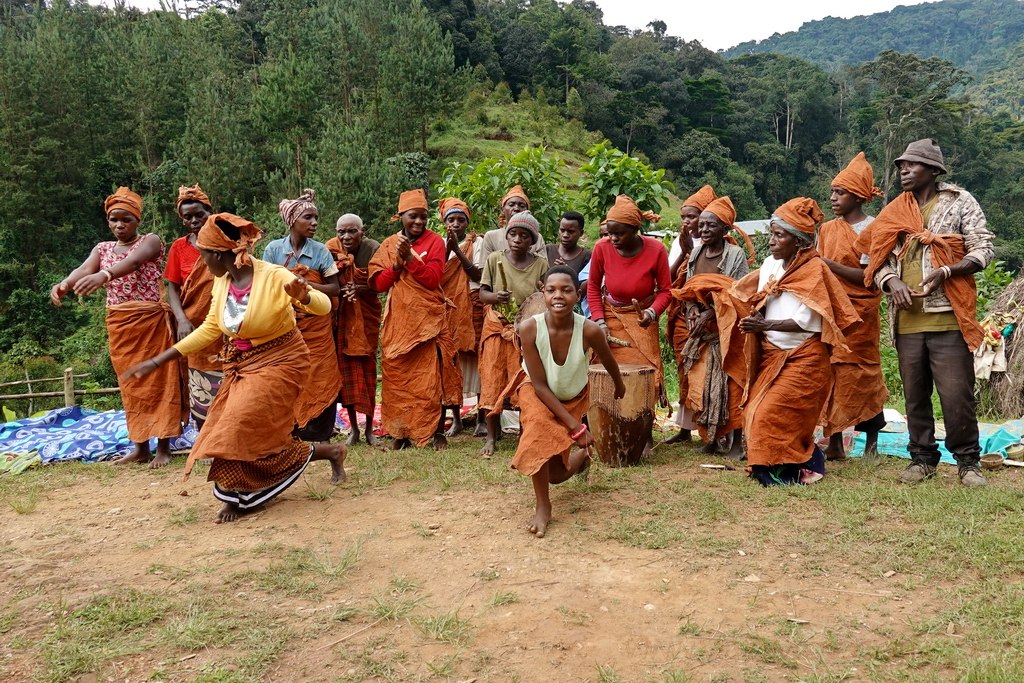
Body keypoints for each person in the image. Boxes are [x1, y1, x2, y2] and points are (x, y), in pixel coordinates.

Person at [122, 213, 346, 523]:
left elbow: (325, 306)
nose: (200, 261)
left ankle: (241, 496)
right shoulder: (222, 281)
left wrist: (305, 294)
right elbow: (212, 327)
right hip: (244, 362)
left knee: (237, 424)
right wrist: (160, 358)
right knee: (243, 431)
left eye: (202, 254)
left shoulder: (273, 275)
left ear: (216, 254)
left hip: (283, 359)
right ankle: (327, 454)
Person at [857, 139, 994, 486]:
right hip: (907, 320)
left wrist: (947, 271)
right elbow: (879, 258)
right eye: (901, 166)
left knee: (956, 395)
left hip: (948, 315)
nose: (904, 170)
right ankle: (922, 459)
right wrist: (892, 283)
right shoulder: (895, 209)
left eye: (912, 165)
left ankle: (967, 462)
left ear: (933, 171)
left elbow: (983, 248)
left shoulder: (959, 201)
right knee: (915, 394)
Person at [725, 198, 858, 486]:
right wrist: (752, 319)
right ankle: (779, 465)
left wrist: (764, 324)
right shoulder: (770, 265)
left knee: (772, 414)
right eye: (771, 233)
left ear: (799, 242)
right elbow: (761, 301)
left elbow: (807, 322)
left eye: (779, 235)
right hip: (772, 353)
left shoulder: (814, 271)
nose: (771, 241)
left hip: (805, 357)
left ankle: (796, 467)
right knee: (754, 410)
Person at [50, 187, 185, 468]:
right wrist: (65, 283)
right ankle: (140, 447)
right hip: (120, 324)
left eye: (126, 220)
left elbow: (133, 262)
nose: (119, 225)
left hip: (150, 322)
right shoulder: (102, 249)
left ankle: (163, 446)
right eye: (113, 220)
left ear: (137, 221)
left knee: (160, 382)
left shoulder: (152, 241)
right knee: (130, 383)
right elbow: (84, 269)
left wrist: (105, 274)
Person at [512, 266, 624, 538]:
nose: (558, 296)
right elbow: (539, 384)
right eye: (551, 290)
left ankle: (582, 459)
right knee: (537, 431)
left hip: (572, 396)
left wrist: (619, 385)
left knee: (556, 475)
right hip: (537, 391)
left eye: (566, 290)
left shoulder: (589, 330)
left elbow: (609, 361)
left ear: (578, 294)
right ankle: (543, 506)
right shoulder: (529, 328)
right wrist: (576, 427)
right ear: (543, 293)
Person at [586, 194, 671, 456]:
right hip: (610, 315)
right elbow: (592, 288)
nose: (613, 239)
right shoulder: (601, 248)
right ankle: (608, 429)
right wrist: (599, 321)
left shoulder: (656, 250)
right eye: (610, 233)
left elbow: (666, 291)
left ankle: (644, 436)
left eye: (619, 234)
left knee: (646, 378)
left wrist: (651, 313)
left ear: (636, 230)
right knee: (604, 374)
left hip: (641, 319)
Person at [368, 189, 452, 450]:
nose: (419, 222)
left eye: (423, 217)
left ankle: (435, 432)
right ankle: (401, 433)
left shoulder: (435, 241)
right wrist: (396, 264)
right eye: (413, 217)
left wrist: (410, 261)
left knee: (432, 377)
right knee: (398, 377)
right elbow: (379, 285)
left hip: (429, 321)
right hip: (400, 323)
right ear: (400, 216)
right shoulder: (388, 244)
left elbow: (432, 279)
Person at [818, 152, 888, 461]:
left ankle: (871, 443)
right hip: (832, 313)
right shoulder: (828, 230)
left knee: (864, 374)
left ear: (859, 197)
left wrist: (828, 265)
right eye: (832, 191)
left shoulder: (873, 230)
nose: (833, 198)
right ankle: (833, 443)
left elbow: (869, 278)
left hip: (861, 315)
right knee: (830, 375)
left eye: (840, 192)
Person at [672, 196, 750, 457]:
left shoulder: (735, 255)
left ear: (725, 230)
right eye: (702, 225)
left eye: (710, 226)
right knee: (703, 384)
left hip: (727, 330)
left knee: (732, 383)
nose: (703, 230)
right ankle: (711, 438)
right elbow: (690, 289)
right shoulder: (696, 252)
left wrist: (710, 314)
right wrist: (694, 311)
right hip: (703, 331)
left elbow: (737, 293)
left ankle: (737, 443)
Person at [263, 189, 342, 443]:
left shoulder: (320, 252)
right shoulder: (274, 250)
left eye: (316, 217)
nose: (314, 223)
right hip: (286, 329)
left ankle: (323, 438)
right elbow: (265, 286)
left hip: (318, 330)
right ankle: (292, 435)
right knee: (290, 377)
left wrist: (305, 287)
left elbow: (334, 288)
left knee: (322, 376)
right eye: (308, 217)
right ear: (292, 221)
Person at [478, 211, 548, 456]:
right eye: (513, 234)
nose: (518, 239)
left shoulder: (540, 263)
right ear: (506, 236)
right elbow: (482, 294)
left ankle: (524, 433)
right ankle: (490, 437)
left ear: (532, 240)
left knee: (524, 382)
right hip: (498, 325)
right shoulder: (495, 259)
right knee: (492, 379)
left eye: (524, 236)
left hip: (526, 330)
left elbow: (544, 296)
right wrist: (495, 297)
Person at [164, 184, 222, 429]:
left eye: (200, 214)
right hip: (194, 325)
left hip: (225, 319)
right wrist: (182, 319)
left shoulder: (226, 240)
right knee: (200, 376)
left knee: (231, 370)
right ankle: (206, 436)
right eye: (188, 217)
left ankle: (231, 433)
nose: (195, 220)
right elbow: (171, 287)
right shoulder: (179, 247)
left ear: (210, 212)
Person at [665, 185, 719, 445]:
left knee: (708, 370)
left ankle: (711, 426)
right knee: (684, 368)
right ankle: (685, 428)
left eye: (692, 216)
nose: (687, 222)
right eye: (684, 217)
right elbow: (669, 279)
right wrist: (685, 252)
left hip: (711, 318)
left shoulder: (724, 244)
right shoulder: (680, 241)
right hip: (682, 314)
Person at [326, 214, 382, 446]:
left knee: (367, 374)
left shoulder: (374, 249)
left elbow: (378, 283)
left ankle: (369, 429)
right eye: (341, 232)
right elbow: (327, 279)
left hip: (365, 317)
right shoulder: (330, 248)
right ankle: (354, 430)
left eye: (352, 231)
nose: (346, 237)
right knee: (345, 376)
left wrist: (357, 288)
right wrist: (343, 290)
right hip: (342, 319)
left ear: (363, 230)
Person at [438, 198, 482, 437]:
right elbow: (435, 275)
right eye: (451, 219)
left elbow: (477, 273)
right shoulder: (437, 244)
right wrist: (447, 248)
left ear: (468, 222)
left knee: (478, 361)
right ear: (443, 222)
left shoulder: (477, 242)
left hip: (472, 306)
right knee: (450, 364)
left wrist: (456, 249)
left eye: (461, 220)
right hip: (449, 309)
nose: (456, 224)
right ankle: (455, 418)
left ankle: (482, 419)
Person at [577, 220, 608, 320]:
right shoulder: (598, 256)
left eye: (607, 234)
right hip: (595, 315)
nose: (604, 239)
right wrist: (599, 275)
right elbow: (582, 289)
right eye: (601, 235)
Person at [544, 211, 591, 276]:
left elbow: (586, 283)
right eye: (562, 230)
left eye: (571, 231)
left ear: (581, 233)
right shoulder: (548, 250)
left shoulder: (587, 256)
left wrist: (566, 271)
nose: (565, 235)